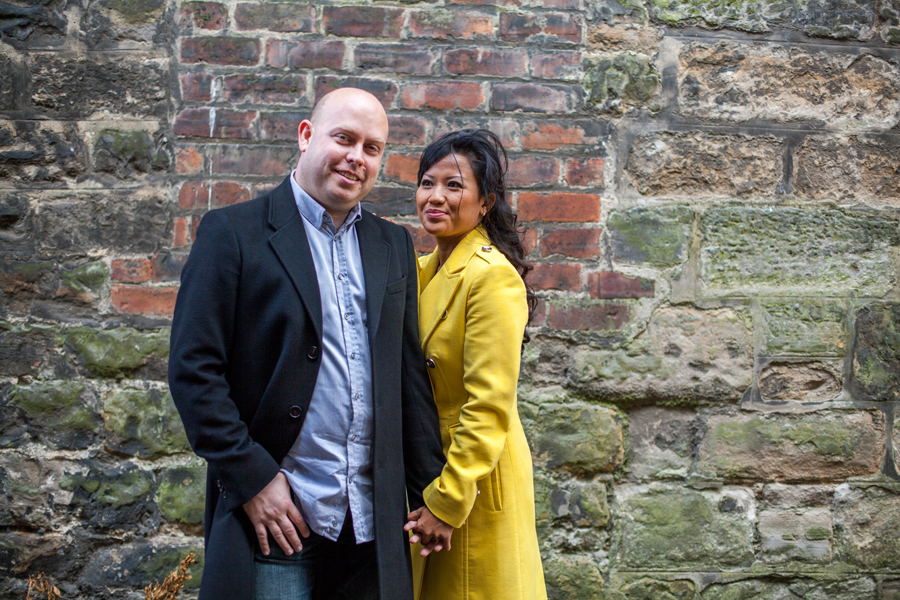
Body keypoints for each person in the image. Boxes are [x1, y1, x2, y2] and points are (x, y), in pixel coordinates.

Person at [168, 87, 447, 600]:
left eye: (372, 148)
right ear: (305, 135)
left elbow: (408, 377)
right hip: (278, 519)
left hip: (371, 524)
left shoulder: (393, 246)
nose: (356, 158)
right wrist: (253, 478)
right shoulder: (232, 233)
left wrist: (435, 494)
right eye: (344, 138)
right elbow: (193, 371)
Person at [404, 129, 547, 599]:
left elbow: (489, 406)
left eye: (454, 185)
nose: (436, 197)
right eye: (428, 183)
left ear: (485, 203)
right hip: (431, 465)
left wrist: (447, 503)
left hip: (472, 479)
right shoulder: (421, 271)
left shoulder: (491, 277)